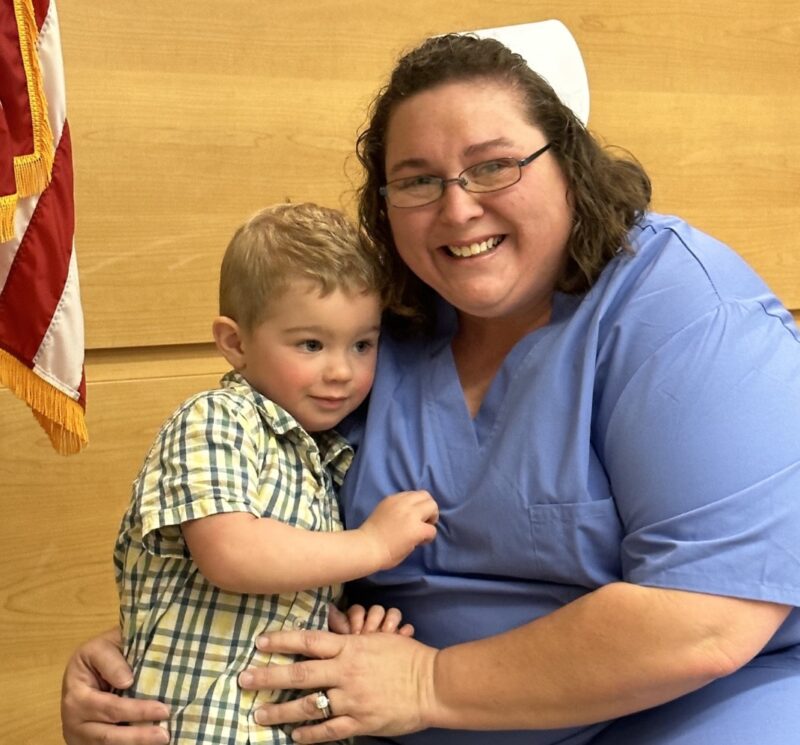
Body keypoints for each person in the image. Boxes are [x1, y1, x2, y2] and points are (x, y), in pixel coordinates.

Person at [61, 33, 800, 745]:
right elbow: (257, 533)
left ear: (571, 163)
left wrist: (430, 683)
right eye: (418, 179)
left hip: (686, 710)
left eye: (494, 165)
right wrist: (143, 660)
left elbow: (707, 621)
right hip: (382, 721)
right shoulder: (371, 334)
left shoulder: (683, 310)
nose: (457, 209)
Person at [109, 202, 439, 744]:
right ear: (235, 343)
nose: (342, 371)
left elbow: (289, 597)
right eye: (311, 344)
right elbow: (232, 553)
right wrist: (373, 544)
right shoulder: (216, 419)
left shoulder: (322, 456)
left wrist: (346, 630)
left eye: (362, 344)